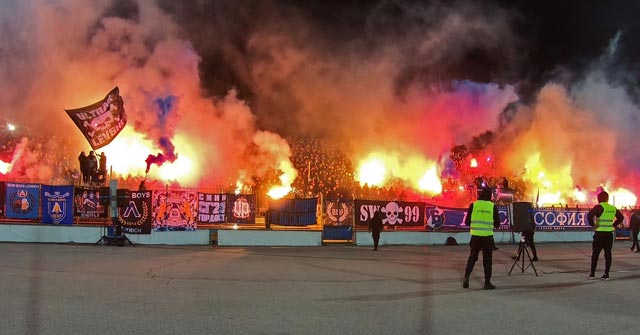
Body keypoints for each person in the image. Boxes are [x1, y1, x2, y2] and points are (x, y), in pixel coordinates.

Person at [463, 188, 500, 290]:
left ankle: (466, 277)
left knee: (472, 257)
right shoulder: (492, 206)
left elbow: (466, 222)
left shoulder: (473, 205)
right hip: (487, 237)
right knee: (487, 260)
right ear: (489, 196)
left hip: (475, 236)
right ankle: (487, 283)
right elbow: (497, 224)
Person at [587, 191, 624, 280]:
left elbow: (589, 216)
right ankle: (606, 274)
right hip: (609, 234)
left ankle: (592, 273)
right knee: (608, 254)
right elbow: (621, 217)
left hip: (599, 234)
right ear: (607, 199)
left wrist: (593, 225)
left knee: (595, 254)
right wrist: (614, 225)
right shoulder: (612, 208)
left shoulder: (598, 207)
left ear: (599, 199)